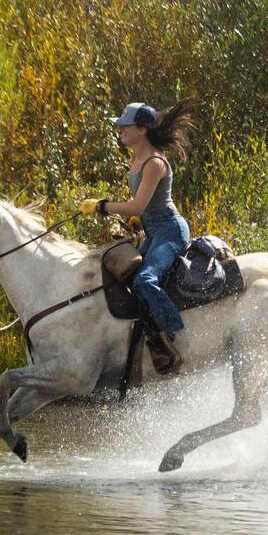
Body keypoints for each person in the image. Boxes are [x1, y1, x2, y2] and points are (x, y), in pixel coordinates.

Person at [79, 99, 198, 374]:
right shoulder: (138, 160)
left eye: (125, 126)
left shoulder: (154, 162)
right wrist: (138, 220)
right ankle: (146, 337)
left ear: (142, 129)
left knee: (145, 280)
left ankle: (176, 336)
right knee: (126, 278)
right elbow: (144, 207)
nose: (120, 130)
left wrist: (102, 206)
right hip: (154, 230)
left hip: (170, 230)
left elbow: (138, 205)